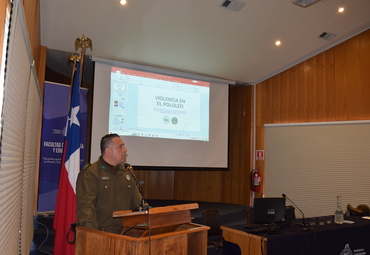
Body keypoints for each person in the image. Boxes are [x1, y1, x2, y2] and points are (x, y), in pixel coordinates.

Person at [76, 133, 142, 234]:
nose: (125, 149)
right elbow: (86, 208)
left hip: (125, 232)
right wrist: (93, 234)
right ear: (108, 151)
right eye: (120, 147)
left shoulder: (127, 172)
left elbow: (138, 204)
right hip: (102, 234)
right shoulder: (91, 173)